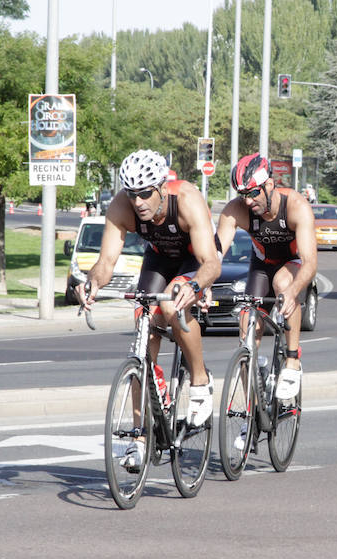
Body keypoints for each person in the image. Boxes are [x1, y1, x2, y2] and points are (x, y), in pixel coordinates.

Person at [77, 149, 220, 470]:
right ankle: (141, 437)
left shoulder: (186, 199)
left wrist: (196, 286)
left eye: (144, 194)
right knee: (142, 335)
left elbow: (211, 263)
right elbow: (106, 262)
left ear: (161, 187)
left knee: (171, 302)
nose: (138, 202)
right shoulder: (121, 207)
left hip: (195, 257)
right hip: (160, 257)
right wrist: (92, 284)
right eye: (132, 194)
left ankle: (200, 379)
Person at [217, 152, 318, 403]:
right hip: (261, 266)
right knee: (246, 332)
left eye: (253, 193)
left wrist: (293, 292)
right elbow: (215, 253)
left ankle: (292, 360)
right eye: (242, 195)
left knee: (283, 284)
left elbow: (310, 263)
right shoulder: (236, 210)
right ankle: (251, 411)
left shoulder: (295, 206)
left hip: (292, 264)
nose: (248, 202)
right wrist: (202, 282)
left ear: (269, 185)